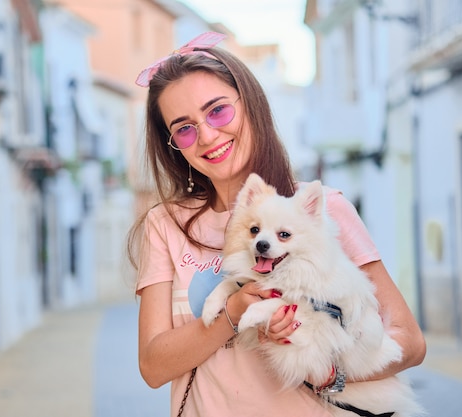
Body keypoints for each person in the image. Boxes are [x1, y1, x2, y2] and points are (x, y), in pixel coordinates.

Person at [127, 32, 426, 417]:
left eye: (218, 110)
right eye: (184, 128)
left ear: (250, 104)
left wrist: (328, 373)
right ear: (173, 145)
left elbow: (410, 342)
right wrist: (232, 314)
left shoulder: (322, 211)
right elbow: (153, 367)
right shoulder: (165, 224)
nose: (207, 135)